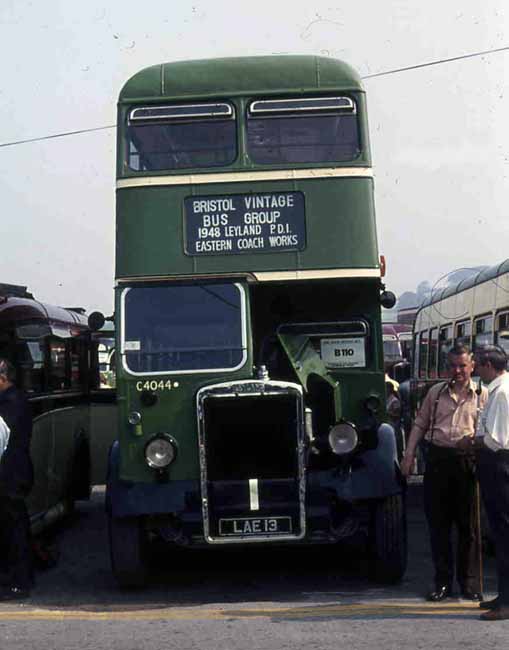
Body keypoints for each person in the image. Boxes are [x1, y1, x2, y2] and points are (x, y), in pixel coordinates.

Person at [400, 344, 487, 602]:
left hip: (467, 463)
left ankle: (468, 583)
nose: (457, 371)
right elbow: (419, 424)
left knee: (468, 527)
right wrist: (408, 455)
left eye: (462, 365)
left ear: (472, 366)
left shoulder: (483, 394)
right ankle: (442, 583)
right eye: (453, 365)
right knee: (438, 526)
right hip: (438, 462)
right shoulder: (435, 393)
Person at [472, 345, 509, 621]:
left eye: (476, 364)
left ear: (487, 364)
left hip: (500, 466)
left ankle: (507, 603)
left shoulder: (502, 392)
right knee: (499, 533)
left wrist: (473, 440)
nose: (474, 369)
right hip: (496, 467)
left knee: (505, 534)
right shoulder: (499, 389)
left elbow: (497, 439)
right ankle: (503, 596)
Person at [0, 358, 34, 601]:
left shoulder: (11, 403)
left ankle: (19, 582)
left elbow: (2, 439)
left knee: (14, 529)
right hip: (14, 473)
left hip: (10, 475)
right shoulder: (15, 399)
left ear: (3, 378)